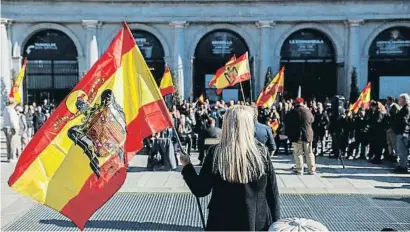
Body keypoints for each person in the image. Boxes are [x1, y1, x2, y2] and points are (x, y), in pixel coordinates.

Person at [180, 105, 280, 231]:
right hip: (256, 222)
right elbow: (273, 193)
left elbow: (201, 189)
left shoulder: (216, 153)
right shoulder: (261, 153)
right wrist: (277, 223)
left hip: (221, 222)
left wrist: (188, 166)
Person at [285, 98, 316, 175]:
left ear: (295, 103)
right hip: (307, 135)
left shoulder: (292, 112)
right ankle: (311, 170)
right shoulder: (307, 111)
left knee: (298, 153)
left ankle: (299, 169)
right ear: (303, 103)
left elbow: (286, 120)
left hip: (296, 135)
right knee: (309, 152)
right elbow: (312, 120)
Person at [393, 93, 410, 173]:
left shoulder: (406, 109)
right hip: (400, 132)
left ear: (404, 100)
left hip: (402, 133)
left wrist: (404, 133)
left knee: (402, 150)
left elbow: (405, 121)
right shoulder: (403, 108)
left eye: (400, 99)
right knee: (400, 150)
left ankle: (403, 167)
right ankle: (402, 165)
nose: (398, 100)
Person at [385, 96, 400, 162]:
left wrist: (387, 115)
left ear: (391, 101)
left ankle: (396, 156)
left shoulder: (395, 107)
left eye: (388, 100)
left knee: (394, 143)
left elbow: (394, 118)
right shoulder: (386, 107)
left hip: (392, 128)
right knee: (389, 143)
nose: (387, 101)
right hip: (387, 128)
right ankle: (390, 155)